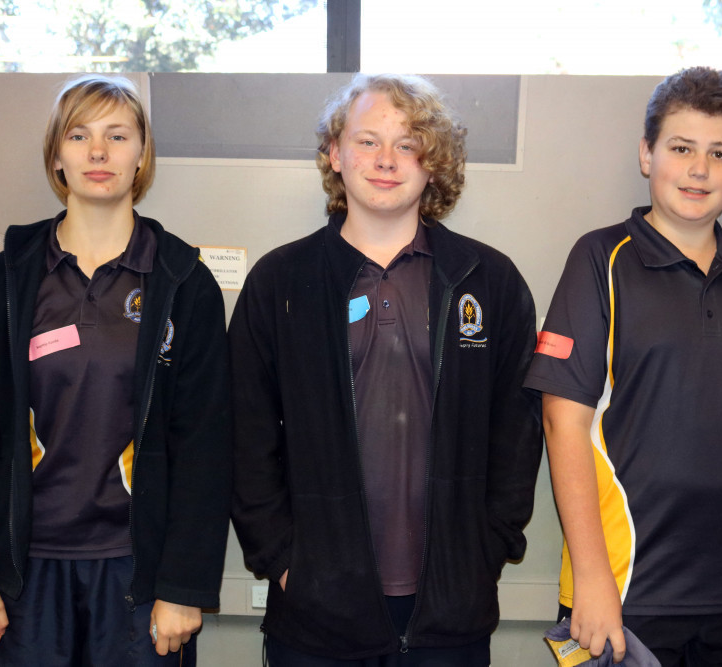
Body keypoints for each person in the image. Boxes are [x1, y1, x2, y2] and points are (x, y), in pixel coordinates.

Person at [228, 73, 543, 665]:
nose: (386, 160)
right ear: (334, 154)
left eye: (408, 143)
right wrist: (282, 558)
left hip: (452, 612)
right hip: (316, 615)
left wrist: (487, 548)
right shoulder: (280, 283)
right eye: (368, 140)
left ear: (434, 162)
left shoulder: (489, 281)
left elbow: (518, 431)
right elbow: (246, 432)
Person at [524, 66, 722, 666]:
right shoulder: (600, 260)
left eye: (719, 153)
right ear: (647, 154)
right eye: (681, 148)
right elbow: (563, 422)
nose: (699, 169)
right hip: (627, 594)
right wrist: (592, 580)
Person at [0, 74, 231, 665]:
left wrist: (184, 586)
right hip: (24, 572)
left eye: (117, 135)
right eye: (79, 135)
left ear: (141, 154)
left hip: (138, 574)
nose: (98, 152)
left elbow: (204, 447)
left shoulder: (184, 284)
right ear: (57, 155)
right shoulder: (6, 282)